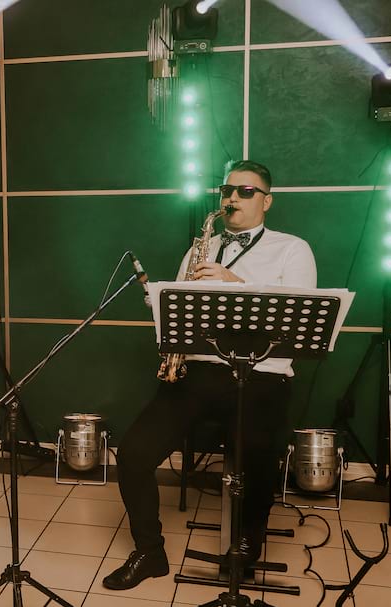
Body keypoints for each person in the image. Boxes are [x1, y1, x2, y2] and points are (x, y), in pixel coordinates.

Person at [103, 159, 317, 590]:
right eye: (227, 190)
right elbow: (181, 313)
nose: (233, 198)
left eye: (246, 191)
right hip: (199, 372)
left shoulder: (292, 249)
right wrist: (163, 302)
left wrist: (235, 282)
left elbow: (300, 311)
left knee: (259, 453)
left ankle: (248, 542)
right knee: (133, 453)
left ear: (267, 201)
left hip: (262, 375)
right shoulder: (201, 248)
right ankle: (149, 551)